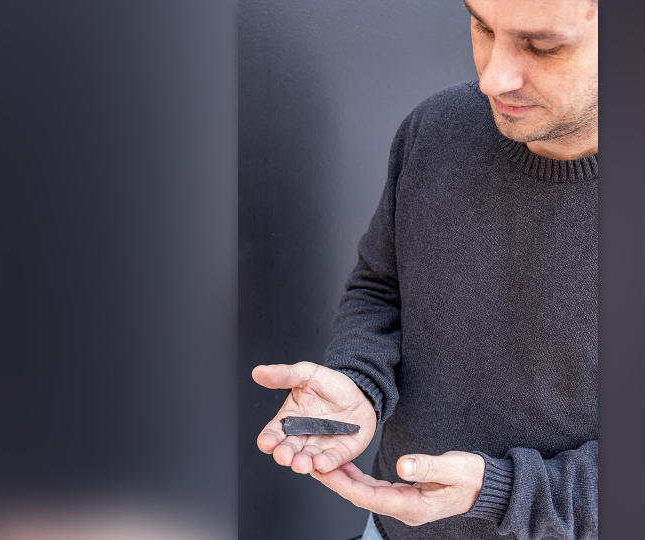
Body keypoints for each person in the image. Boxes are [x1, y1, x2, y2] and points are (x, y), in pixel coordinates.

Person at [252, 0, 598, 538]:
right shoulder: (439, 129)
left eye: (541, 46)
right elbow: (382, 286)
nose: (491, 77)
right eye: (481, 26)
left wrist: (500, 493)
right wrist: (360, 382)